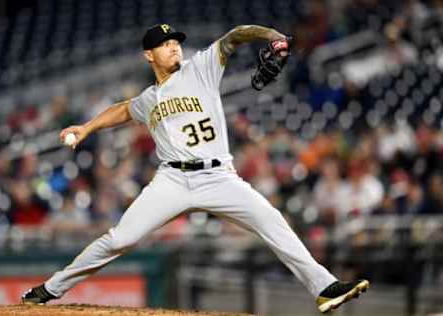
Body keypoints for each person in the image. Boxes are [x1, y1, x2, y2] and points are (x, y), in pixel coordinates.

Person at [21, 24, 369, 313]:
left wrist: (271, 36)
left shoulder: (201, 68)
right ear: (148, 55)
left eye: (175, 42)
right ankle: (49, 290)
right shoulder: (148, 99)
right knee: (119, 239)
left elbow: (235, 35)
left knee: (272, 221)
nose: (174, 48)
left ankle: (324, 287)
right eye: (164, 44)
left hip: (218, 175)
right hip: (172, 178)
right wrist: (86, 128)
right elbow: (124, 109)